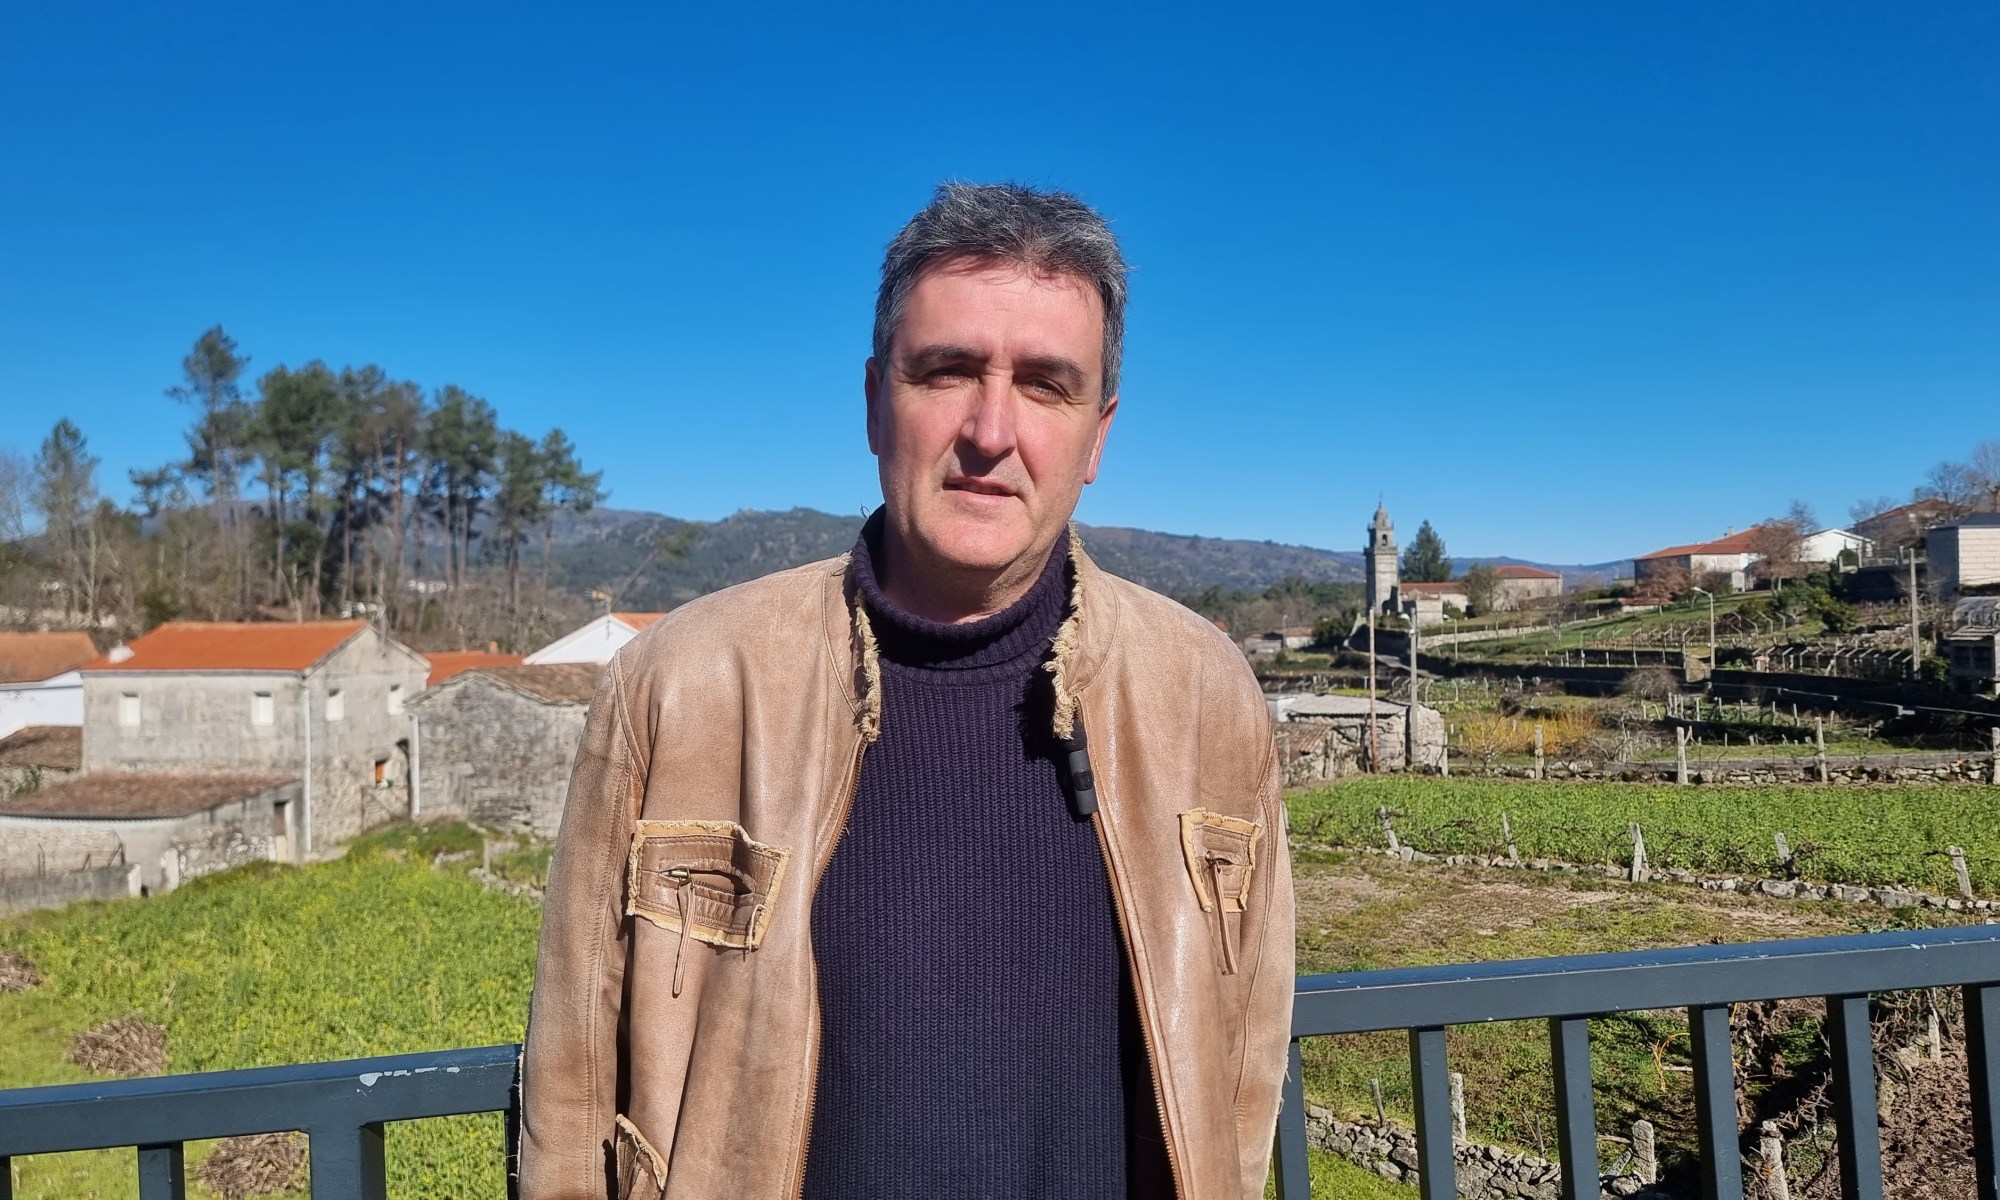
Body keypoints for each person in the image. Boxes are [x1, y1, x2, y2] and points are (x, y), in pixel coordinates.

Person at [517, 182, 1293, 1200]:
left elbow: (1244, 1069)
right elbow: (572, 1090)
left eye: (1046, 385)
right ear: (876, 402)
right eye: (947, 371)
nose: (991, 430)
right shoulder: (681, 686)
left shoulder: (1204, 696)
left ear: (1097, 436)